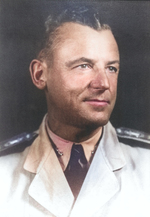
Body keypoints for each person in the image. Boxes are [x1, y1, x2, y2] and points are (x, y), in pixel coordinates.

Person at [0, 3, 150, 217]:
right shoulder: (3, 176)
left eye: (111, 68)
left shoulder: (147, 168)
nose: (103, 83)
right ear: (40, 74)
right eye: (84, 65)